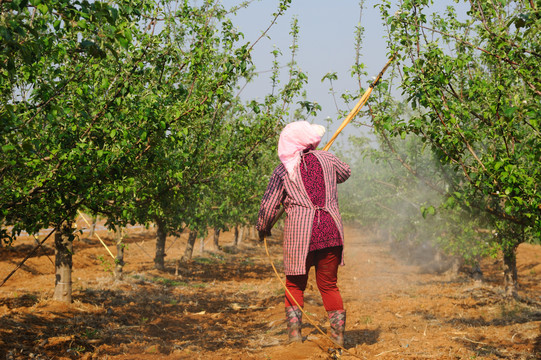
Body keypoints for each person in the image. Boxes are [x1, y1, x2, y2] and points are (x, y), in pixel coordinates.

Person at [257, 121, 351, 346]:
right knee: (329, 285)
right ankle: (337, 338)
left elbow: (269, 207)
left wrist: (263, 227)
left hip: (301, 237)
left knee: (294, 285)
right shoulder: (328, 158)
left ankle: (294, 336)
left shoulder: (282, 170)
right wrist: (326, 163)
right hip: (331, 230)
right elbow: (345, 173)